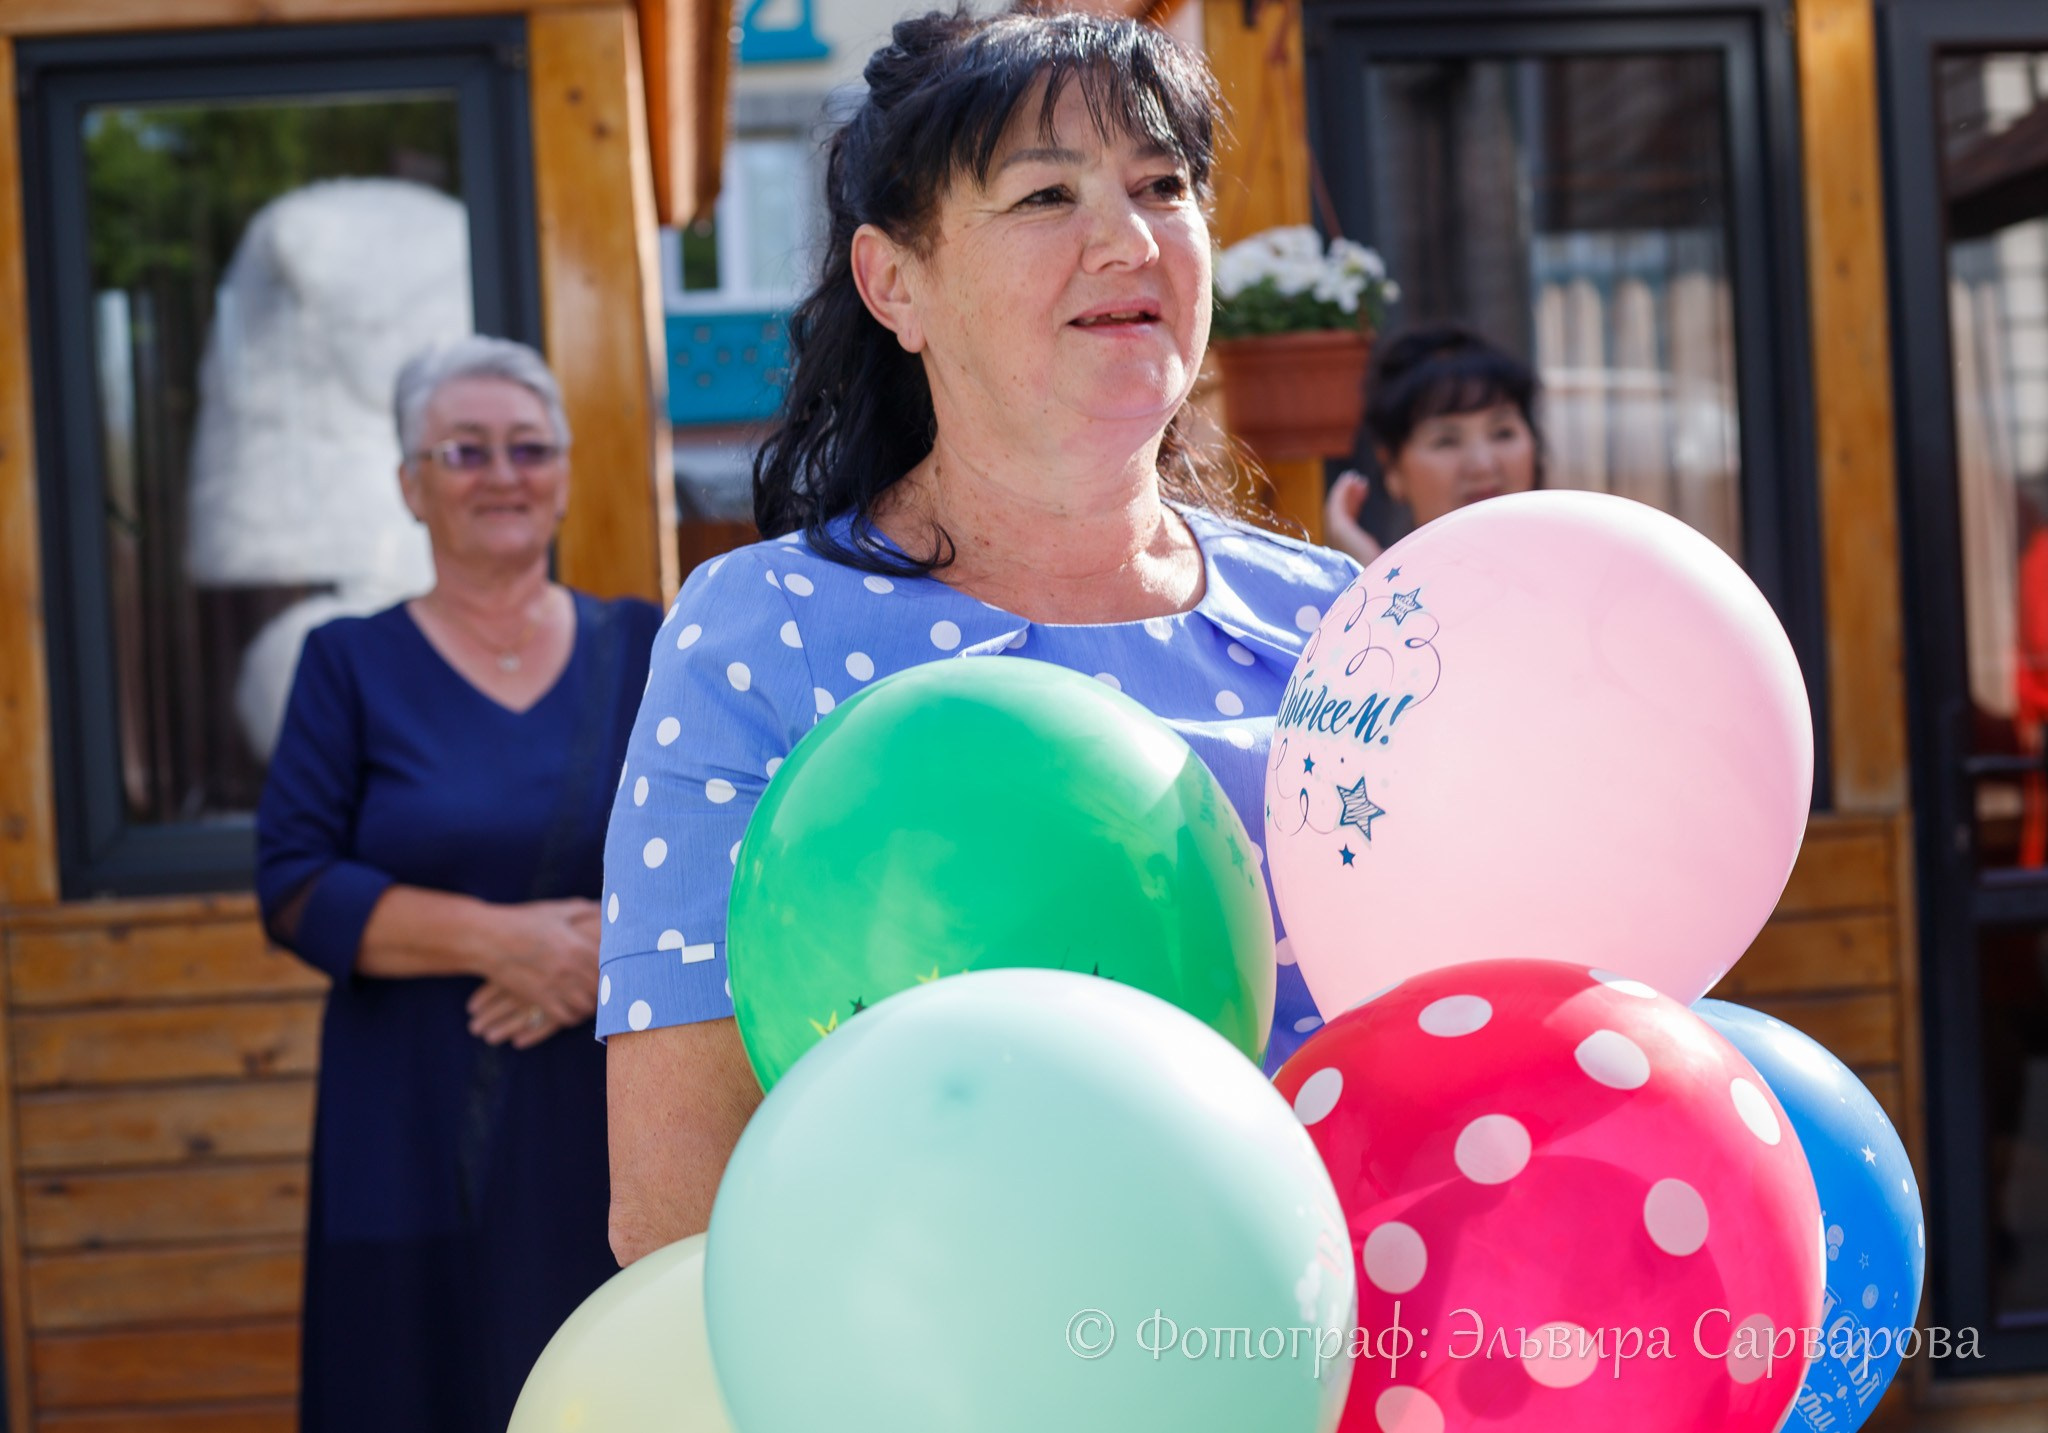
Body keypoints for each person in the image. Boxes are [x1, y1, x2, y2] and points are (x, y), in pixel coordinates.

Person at [599, 6, 1365, 1266]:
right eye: (1043, 195)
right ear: (893, 281)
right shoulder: (762, 635)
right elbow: (682, 1209)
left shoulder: (1337, 623)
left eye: (1160, 185)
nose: (1124, 240)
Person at [255, 336, 661, 1433]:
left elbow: (715, 861)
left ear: (565, 474)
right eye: (465, 449)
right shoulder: (347, 664)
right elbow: (292, 883)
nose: (502, 473)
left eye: (529, 447)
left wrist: (591, 963)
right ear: (410, 485)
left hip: (599, 1112)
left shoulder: (646, 647)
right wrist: (500, 939)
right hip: (410, 1113)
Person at [1321, 323, 1544, 567]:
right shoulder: (1374, 590)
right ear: (1392, 470)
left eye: (1503, 433)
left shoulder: (1585, 564)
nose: (1483, 465)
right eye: (1446, 441)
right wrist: (1369, 582)